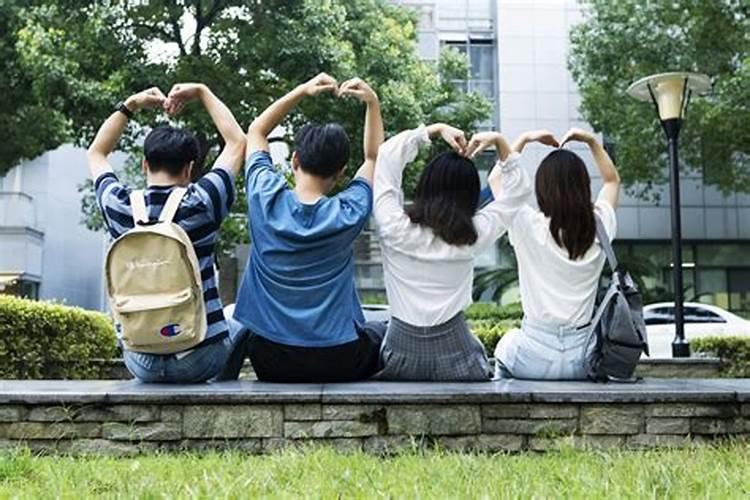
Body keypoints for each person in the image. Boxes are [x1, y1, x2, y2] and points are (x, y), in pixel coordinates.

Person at [231, 73, 386, 383]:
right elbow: (373, 157)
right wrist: (373, 103)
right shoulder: (349, 211)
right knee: (383, 329)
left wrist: (301, 90)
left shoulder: (265, 197)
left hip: (269, 359)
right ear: (341, 172)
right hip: (339, 359)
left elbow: (257, 129)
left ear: (295, 159)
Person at [88, 84, 247, 382]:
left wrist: (130, 104)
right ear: (189, 169)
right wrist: (202, 92)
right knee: (240, 314)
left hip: (140, 361)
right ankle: (222, 387)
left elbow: (97, 152)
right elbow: (237, 142)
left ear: (145, 164)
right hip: (200, 360)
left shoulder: (120, 206)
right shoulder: (201, 203)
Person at [371, 124, 549, 381]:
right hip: (458, 359)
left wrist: (433, 130)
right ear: (469, 194)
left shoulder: (394, 227)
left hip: (400, 356)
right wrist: (500, 142)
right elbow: (518, 192)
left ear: (426, 185)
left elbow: (387, 155)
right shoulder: (474, 234)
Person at [492, 127, 621, 380]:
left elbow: (496, 179)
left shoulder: (526, 224)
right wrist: (592, 141)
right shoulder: (599, 226)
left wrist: (524, 139)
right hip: (583, 359)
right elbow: (611, 181)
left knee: (507, 345)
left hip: (531, 357)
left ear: (542, 189)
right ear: (584, 186)